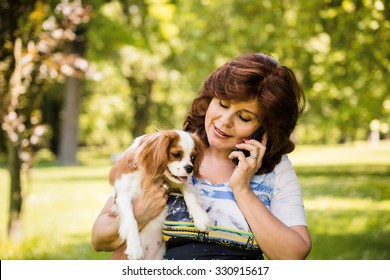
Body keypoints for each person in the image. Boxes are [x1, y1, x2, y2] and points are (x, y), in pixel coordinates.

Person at [91, 52, 311, 260]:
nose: (224, 121)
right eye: (223, 104)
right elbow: (99, 238)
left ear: (265, 129)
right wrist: (139, 216)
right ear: (210, 99)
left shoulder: (275, 169)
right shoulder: (168, 150)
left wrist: (243, 189)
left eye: (244, 117)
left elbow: (293, 255)